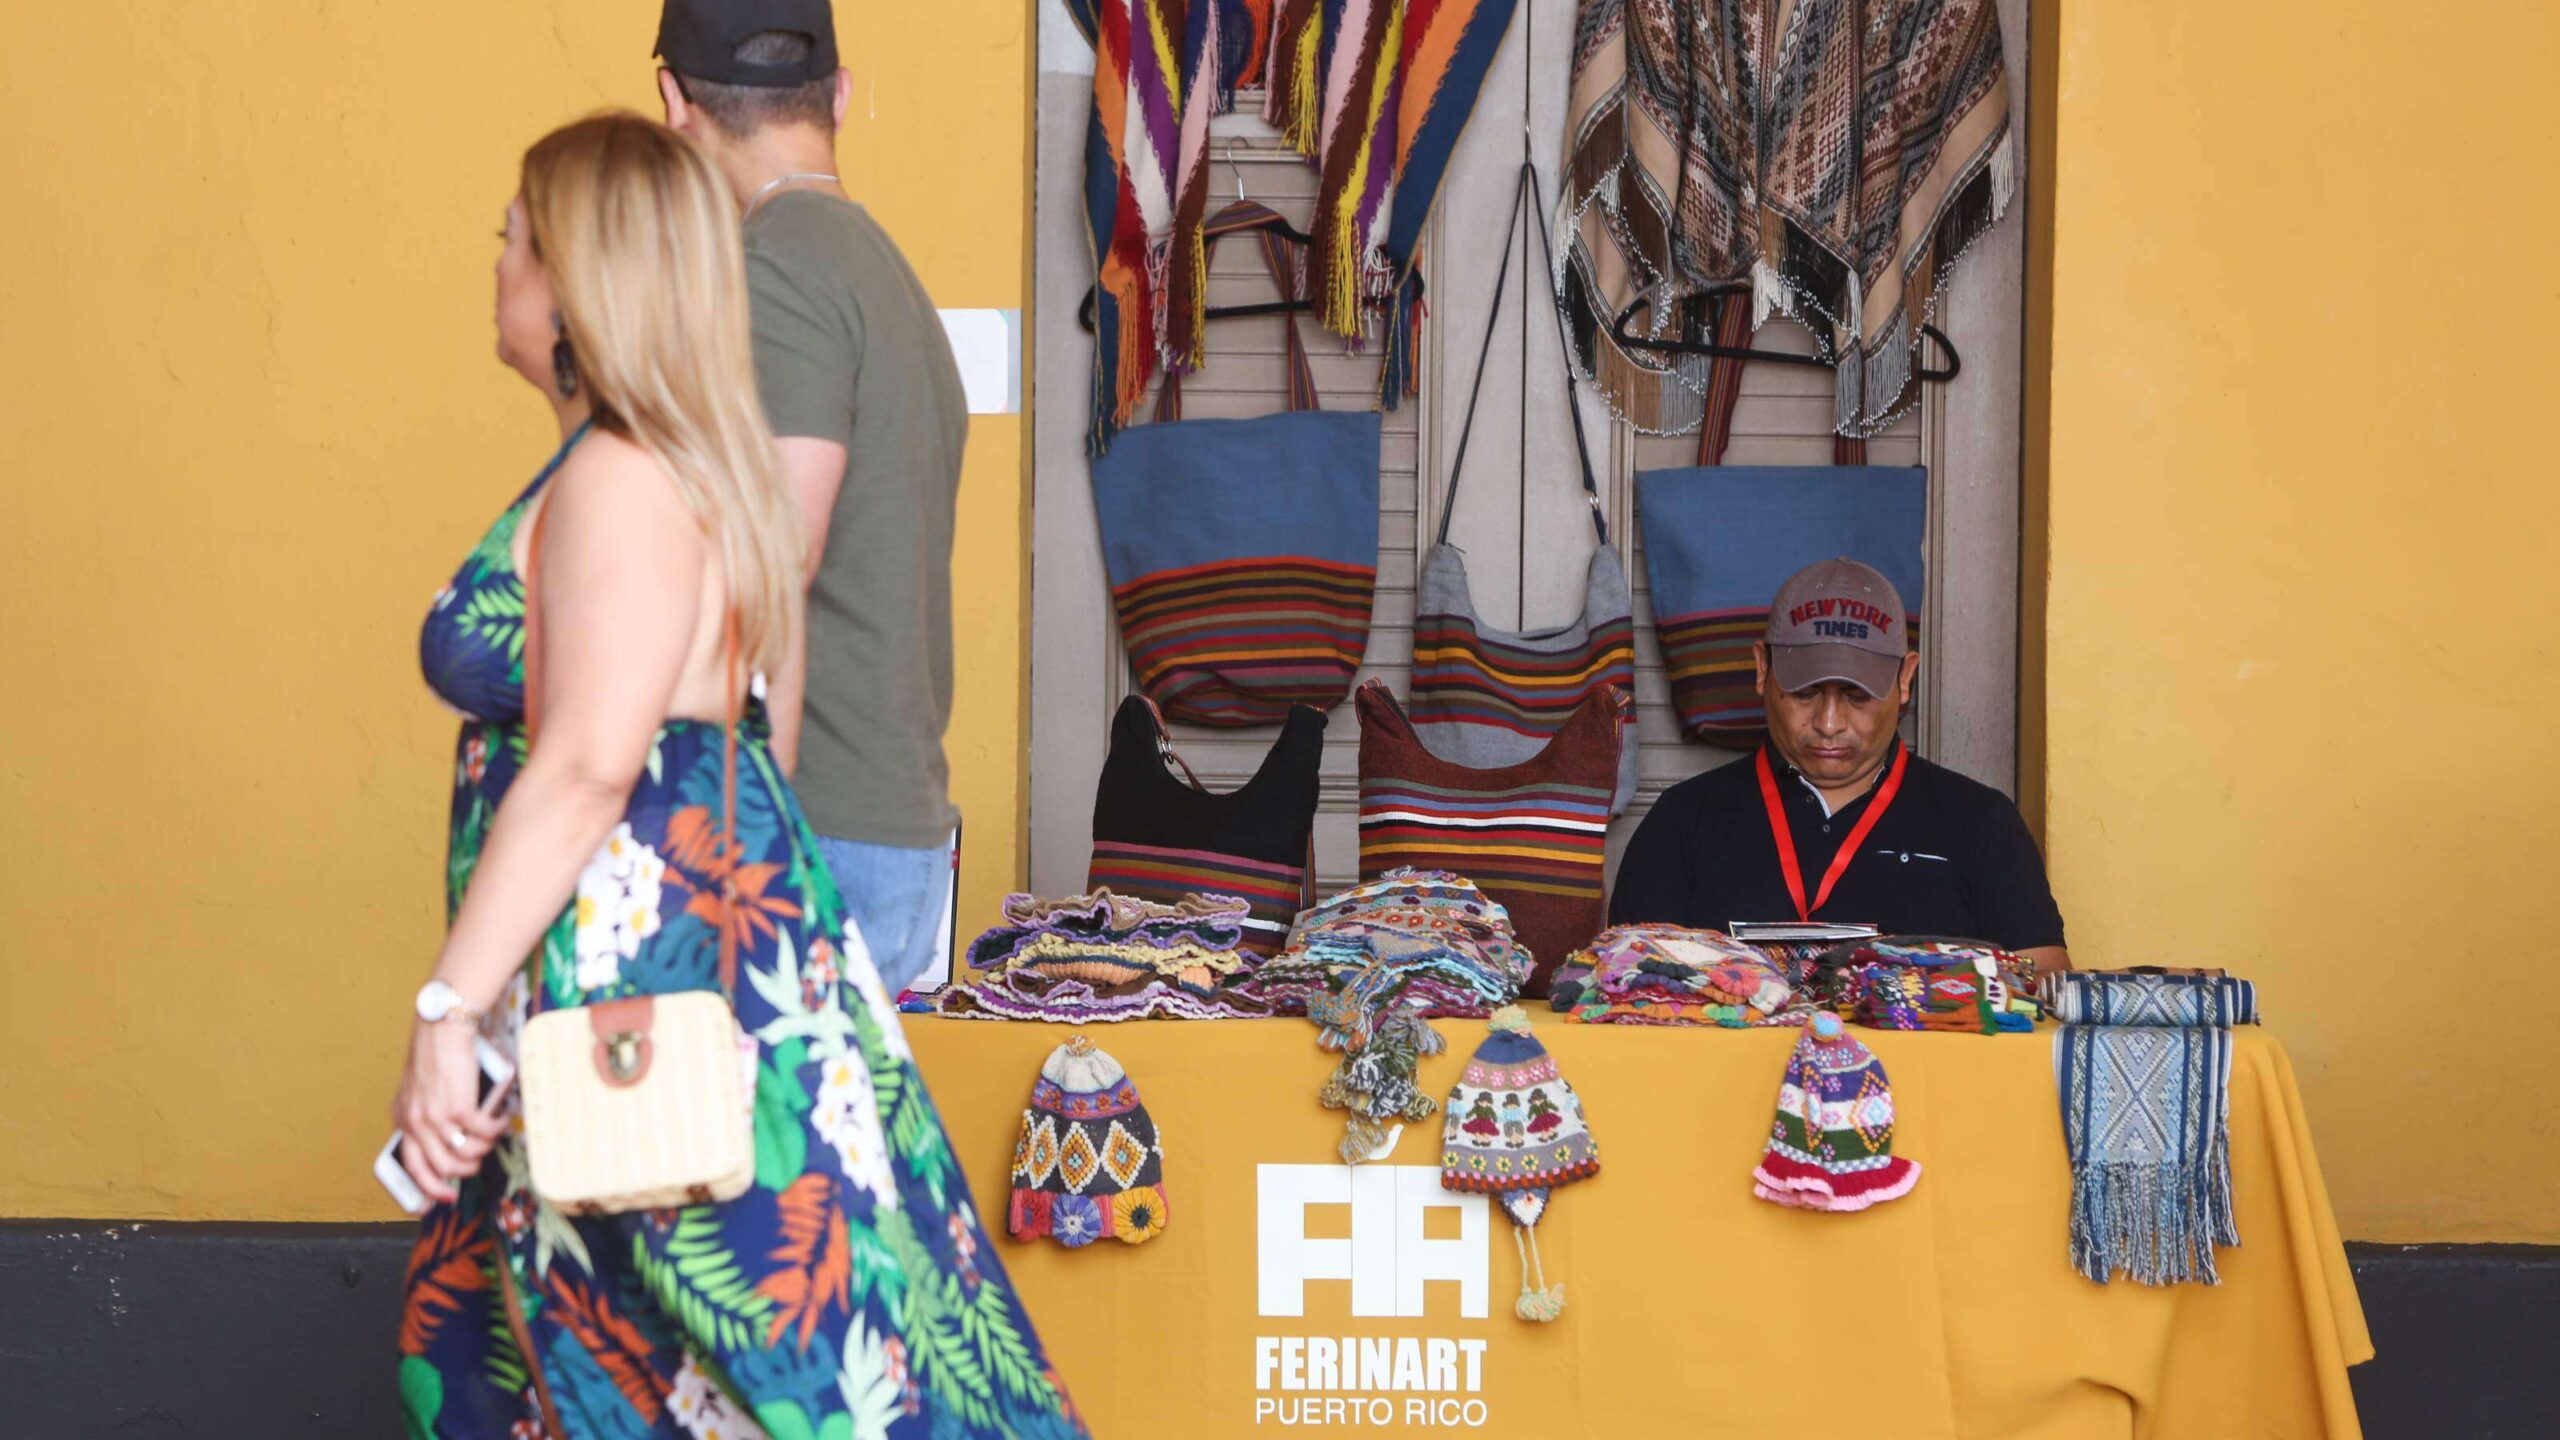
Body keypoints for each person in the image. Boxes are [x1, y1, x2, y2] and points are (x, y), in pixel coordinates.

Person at [393, 113, 1081, 1440]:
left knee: (655, 1358)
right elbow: (756, 752)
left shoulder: (619, 477)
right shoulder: (707, 478)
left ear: (575, 280)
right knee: (743, 1362)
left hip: (629, 998)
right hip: (688, 978)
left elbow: (593, 763)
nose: (497, 267)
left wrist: (449, 1006)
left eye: (515, 242)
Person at [653, 0, 968, 996]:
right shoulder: (876, 270)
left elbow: (768, 571)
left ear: (673, 100)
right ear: (837, 93)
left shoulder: (775, 271)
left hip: (815, 832)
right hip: (871, 821)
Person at [1610, 558, 2071, 973]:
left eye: (1857, 696)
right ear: (1761, 670)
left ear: (1905, 679)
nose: (1829, 724)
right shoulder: (1683, 821)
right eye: (1805, 693)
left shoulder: (1979, 822)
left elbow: (2045, 984)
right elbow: (1621, 982)